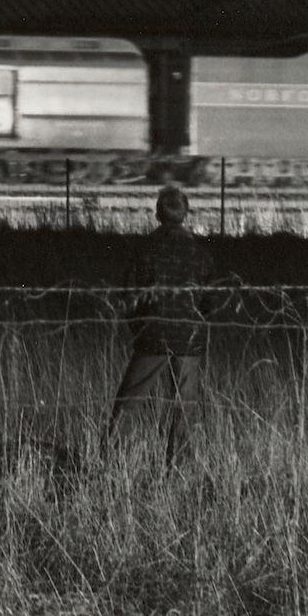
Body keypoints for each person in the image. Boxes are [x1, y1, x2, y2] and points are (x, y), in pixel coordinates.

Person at [108, 182, 214, 452]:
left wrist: (139, 328)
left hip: (153, 333)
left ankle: (110, 455)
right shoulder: (200, 253)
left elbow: (129, 295)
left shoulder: (146, 249)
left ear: (157, 215)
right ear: (186, 214)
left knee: (129, 400)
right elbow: (209, 300)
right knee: (184, 403)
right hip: (189, 336)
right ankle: (177, 464)